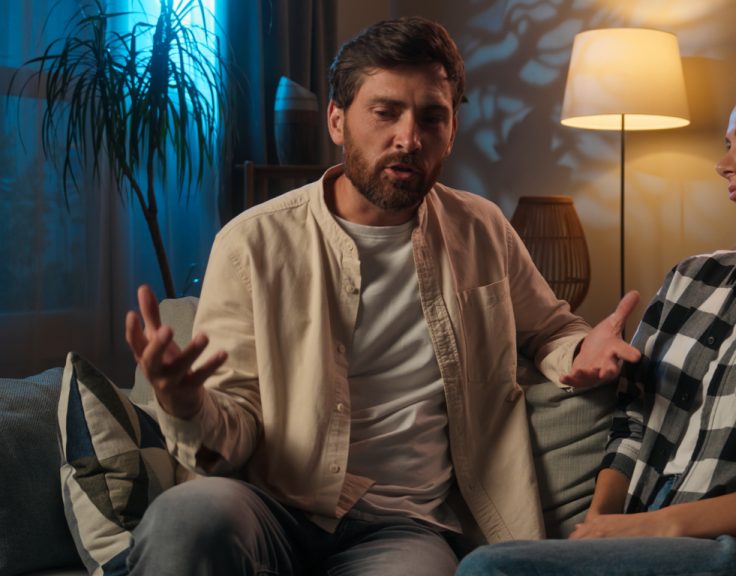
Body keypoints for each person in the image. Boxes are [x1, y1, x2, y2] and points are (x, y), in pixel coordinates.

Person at [123, 16, 638, 576]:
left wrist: (580, 350)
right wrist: (186, 404)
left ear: (452, 130)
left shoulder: (482, 229)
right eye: (385, 112)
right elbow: (234, 429)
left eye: (431, 117)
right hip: (272, 508)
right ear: (337, 120)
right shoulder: (253, 243)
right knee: (184, 517)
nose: (409, 139)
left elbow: (552, 329)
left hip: (405, 528)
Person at [455, 59, 736, 576]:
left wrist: (662, 526)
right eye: (728, 142)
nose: (724, 163)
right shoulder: (690, 278)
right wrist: (599, 526)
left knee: (490, 569)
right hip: (651, 535)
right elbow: (633, 421)